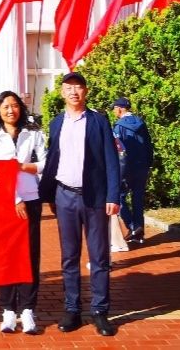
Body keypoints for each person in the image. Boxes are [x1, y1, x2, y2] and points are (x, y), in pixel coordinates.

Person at [39, 72, 120, 337]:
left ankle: (100, 311)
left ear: (85, 91)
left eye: (78, 87)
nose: (74, 92)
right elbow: (52, 159)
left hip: (94, 198)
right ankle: (72, 309)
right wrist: (48, 195)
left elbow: (110, 159)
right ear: (62, 92)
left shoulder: (99, 121)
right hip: (64, 196)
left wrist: (113, 195)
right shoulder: (56, 123)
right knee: (69, 257)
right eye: (68, 88)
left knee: (99, 257)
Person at [0, 91, 46, 335]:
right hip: (3, 204)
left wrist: (23, 166)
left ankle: (28, 309)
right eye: (5, 106)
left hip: (31, 200)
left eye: (14, 106)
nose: (10, 110)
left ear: (20, 108)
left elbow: (45, 163)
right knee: (6, 256)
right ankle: (8, 310)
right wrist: (15, 199)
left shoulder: (33, 133)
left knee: (30, 255)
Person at [112, 97, 154, 247]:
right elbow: (149, 145)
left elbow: (119, 150)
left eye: (114, 108)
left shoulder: (119, 126)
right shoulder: (141, 123)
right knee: (138, 198)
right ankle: (139, 233)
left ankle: (132, 226)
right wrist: (148, 164)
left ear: (119, 109)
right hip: (142, 167)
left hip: (127, 168)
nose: (114, 112)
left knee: (119, 196)